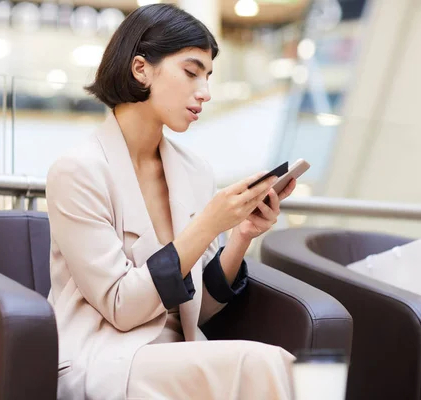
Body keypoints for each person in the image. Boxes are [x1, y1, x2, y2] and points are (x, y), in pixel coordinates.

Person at [46, 4, 298, 400]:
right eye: (191, 71)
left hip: (176, 355)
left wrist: (241, 235)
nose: (206, 92)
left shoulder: (193, 169)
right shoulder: (78, 171)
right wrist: (208, 224)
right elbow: (122, 307)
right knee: (266, 364)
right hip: (106, 358)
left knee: (268, 365)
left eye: (209, 76)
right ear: (141, 68)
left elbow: (199, 310)